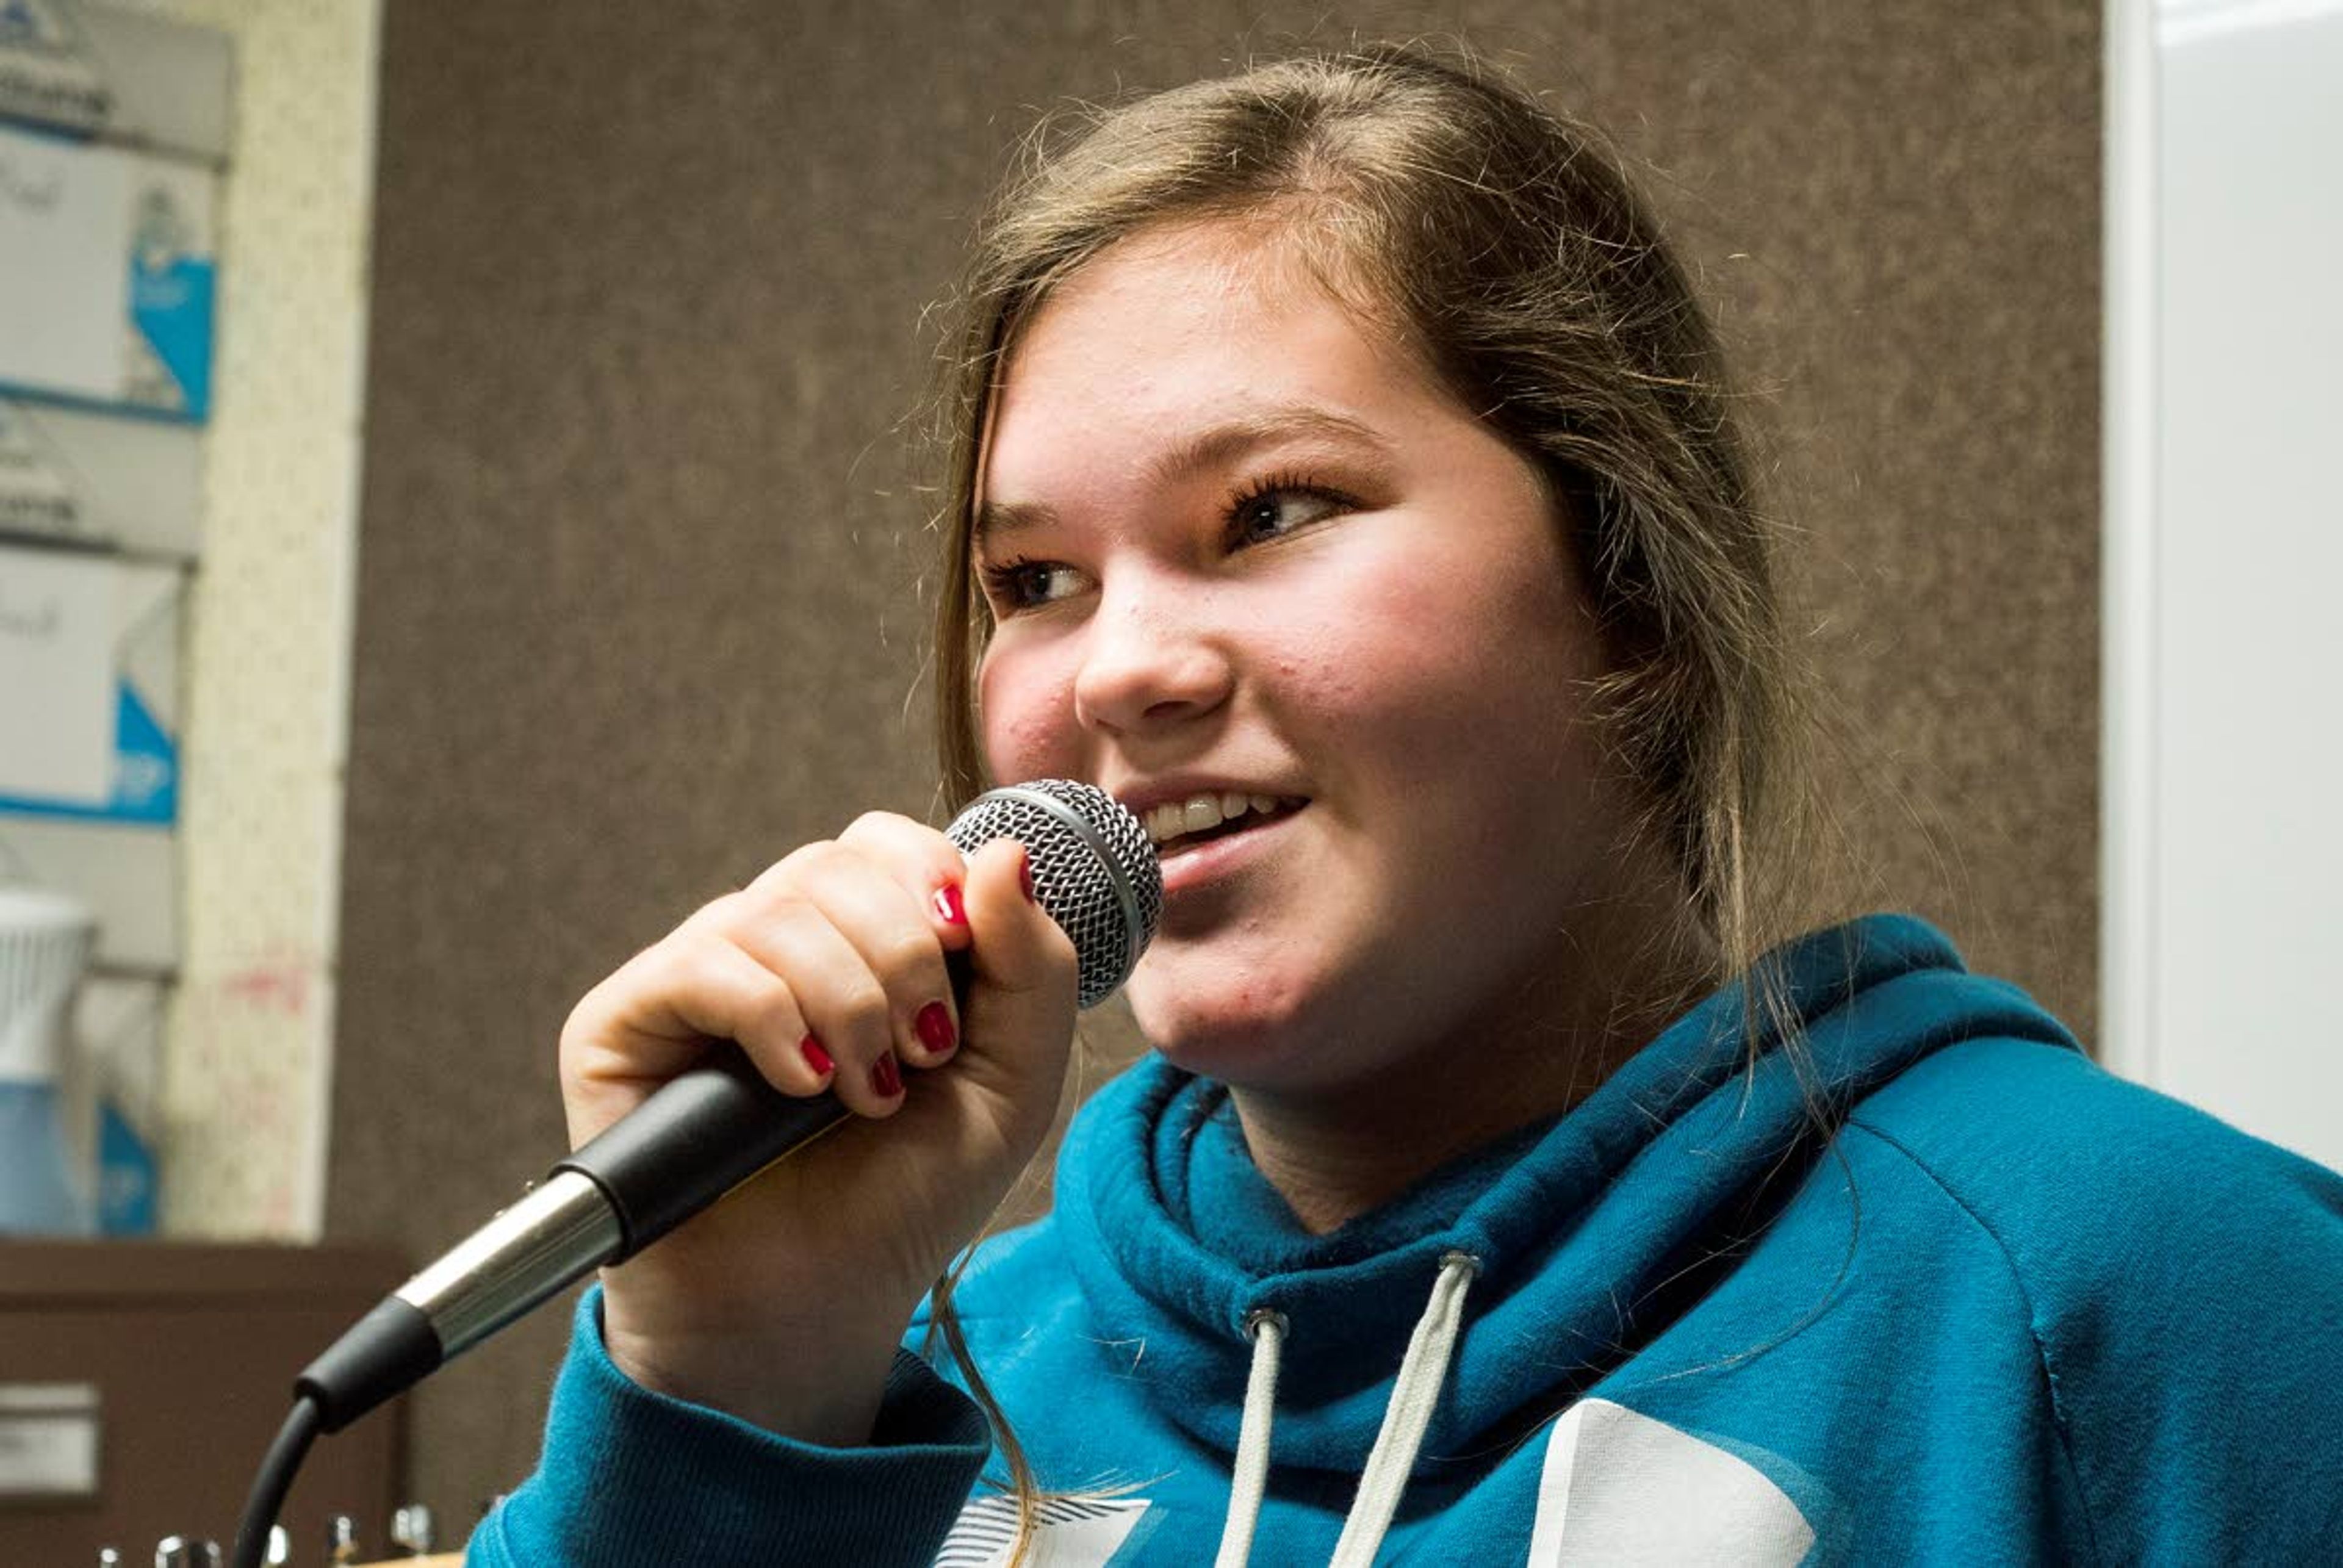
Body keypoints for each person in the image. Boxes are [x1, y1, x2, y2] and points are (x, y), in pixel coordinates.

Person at [467, 45, 2343, 1566]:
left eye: (1271, 512)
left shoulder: (2164, 1299)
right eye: (1034, 579)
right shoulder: (943, 1370)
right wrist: (725, 1400)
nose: (1117, 668)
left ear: (1636, 593)